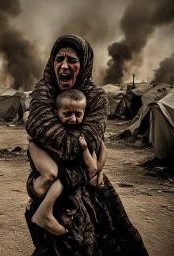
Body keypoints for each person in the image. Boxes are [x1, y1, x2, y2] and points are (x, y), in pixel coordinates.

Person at [25, 34, 148, 255]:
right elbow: (46, 131)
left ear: (84, 64)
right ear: (51, 62)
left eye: (72, 60)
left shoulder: (97, 97)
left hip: (89, 195)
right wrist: (90, 169)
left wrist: (42, 179)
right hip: (58, 194)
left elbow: (74, 144)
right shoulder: (42, 92)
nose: (64, 65)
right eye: (59, 59)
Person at [24, 89, 105, 235]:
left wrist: (99, 168)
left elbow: (99, 151)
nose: (73, 119)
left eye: (78, 114)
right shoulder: (50, 128)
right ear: (56, 113)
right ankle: (44, 213)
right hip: (46, 182)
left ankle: (46, 213)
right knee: (57, 178)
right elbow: (29, 121)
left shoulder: (86, 131)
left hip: (70, 186)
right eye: (67, 114)